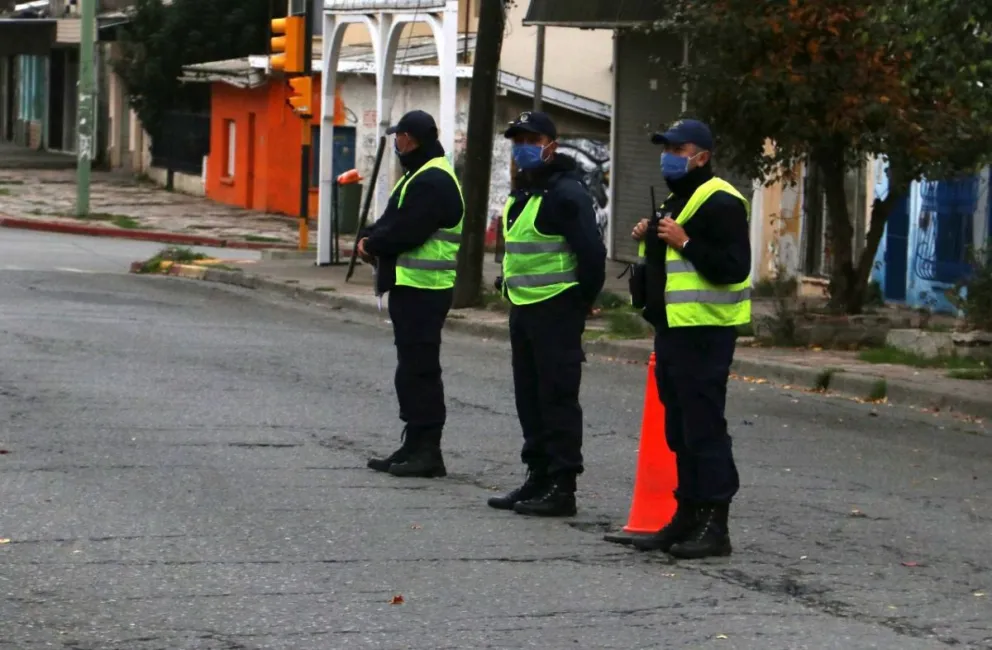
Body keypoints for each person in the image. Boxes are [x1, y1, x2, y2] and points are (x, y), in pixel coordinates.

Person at [628, 118, 751, 559]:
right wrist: (651, 239)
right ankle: (686, 516)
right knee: (679, 428)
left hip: (705, 331)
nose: (669, 157)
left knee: (704, 428)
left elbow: (733, 266)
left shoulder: (720, 201)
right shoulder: (681, 198)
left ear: (702, 155)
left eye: (677, 150)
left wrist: (684, 241)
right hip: (674, 330)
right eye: (666, 149)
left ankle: (715, 525)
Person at [488, 111, 606, 517]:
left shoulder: (566, 193)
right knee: (530, 397)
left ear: (550, 146)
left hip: (557, 308)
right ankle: (537, 475)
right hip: (523, 309)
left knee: (556, 397)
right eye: (517, 141)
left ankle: (562, 485)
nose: (522, 148)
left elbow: (591, 253)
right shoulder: (524, 194)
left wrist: (581, 299)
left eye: (531, 140)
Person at [358, 110, 464, 479]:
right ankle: (413, 443)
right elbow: (392, 219)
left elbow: (407, 230)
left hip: (425, 289)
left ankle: (427, 451)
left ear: (410, 138)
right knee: (411, 370)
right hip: (411, 288)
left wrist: (373, 243)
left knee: (420, 371)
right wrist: (373, 237)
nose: (396, 144)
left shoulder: (433, 180)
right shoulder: (419, 175)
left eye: (398, 137)